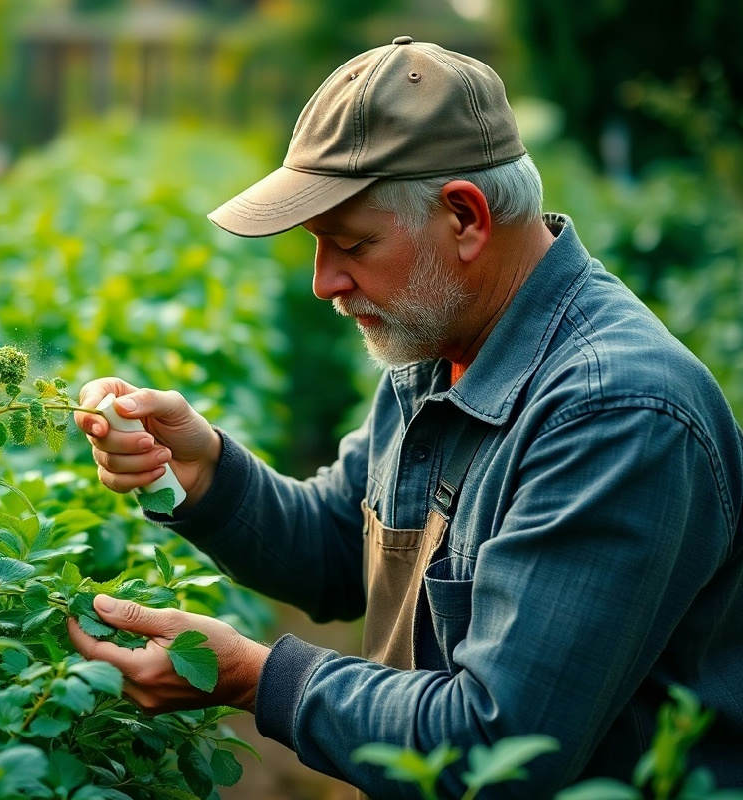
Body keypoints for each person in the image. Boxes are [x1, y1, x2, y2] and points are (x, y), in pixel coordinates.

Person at [67, 37, 743, 797]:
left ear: (464, 217)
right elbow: (338, 548)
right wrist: (201, 473)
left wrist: (258, 677)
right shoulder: (440, 342)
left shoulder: (613, 414)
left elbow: (495, 742)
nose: (326, 282)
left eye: (351, 242)